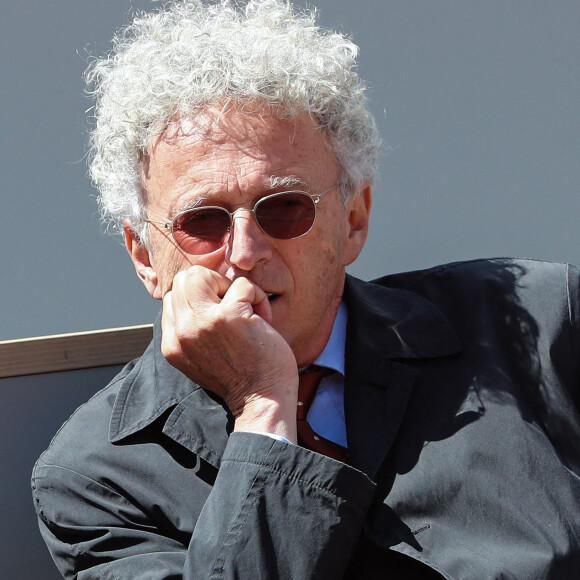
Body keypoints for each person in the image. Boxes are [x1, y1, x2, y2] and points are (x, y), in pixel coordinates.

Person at [32, 1, 580, 578]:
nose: (245, 251)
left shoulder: (540, 322)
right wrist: (261, 405)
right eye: (204, 221)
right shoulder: (94, 478)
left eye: (284, 207)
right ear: (145, 256)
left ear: (354, 219)